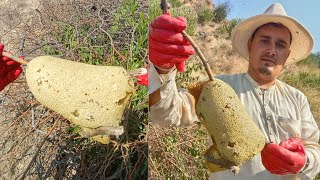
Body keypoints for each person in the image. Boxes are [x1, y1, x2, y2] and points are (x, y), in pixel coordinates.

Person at [148, 3, 320, 180]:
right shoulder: (216, 86)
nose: (271, 50)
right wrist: (163, 68)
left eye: (281, 45)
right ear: (250, 45)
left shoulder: (297, 98)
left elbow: (314, 148)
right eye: (264, 40)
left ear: (287, 54)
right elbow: (165, 113)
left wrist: (304, 160)